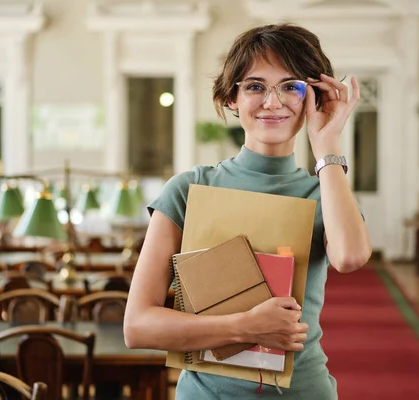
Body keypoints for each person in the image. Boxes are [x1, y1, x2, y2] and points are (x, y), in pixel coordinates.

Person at [124, 23, 371, 399]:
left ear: (313, 98)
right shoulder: (189, 190)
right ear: (230, 99)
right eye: (255, 86)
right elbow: (138, 326)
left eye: (291, 87)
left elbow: (351, 257)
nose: (273, 102)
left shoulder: (324, 193)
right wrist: (246, 327)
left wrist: (327, 145)